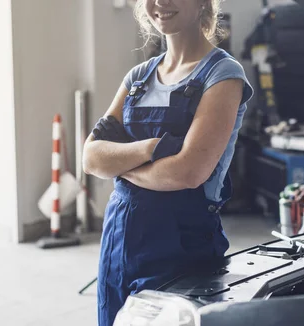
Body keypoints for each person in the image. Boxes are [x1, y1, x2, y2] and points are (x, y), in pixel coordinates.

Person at [82, 0, 253, 325]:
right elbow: (90, 158)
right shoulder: (138, 79)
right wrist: (151, 148)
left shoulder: (222, 74)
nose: (161, 2)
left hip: (181, 247)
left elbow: (188, 172)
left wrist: (118, 162)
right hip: (118, 243)